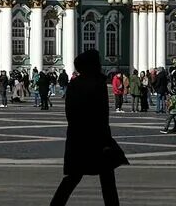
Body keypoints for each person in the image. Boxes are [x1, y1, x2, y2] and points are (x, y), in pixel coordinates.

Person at [51, 50, 124, 205]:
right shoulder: (98, 84)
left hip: (78, 138)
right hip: (97, 139)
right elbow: (102, 116)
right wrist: (105, 141)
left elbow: (70, 114)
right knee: (107, 181)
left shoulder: (74, 85)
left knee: (72, 178)